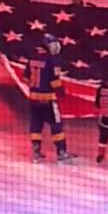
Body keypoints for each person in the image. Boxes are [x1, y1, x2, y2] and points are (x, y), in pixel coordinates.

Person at [25, 35, 74, 163]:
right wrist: (62, 92)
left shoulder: (31, 58)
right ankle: (61, 152)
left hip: (33, 99)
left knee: (36, 124)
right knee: (56, 125)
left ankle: (36, 153)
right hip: (49, 99)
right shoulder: (52, 60)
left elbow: (25, 78)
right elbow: (55, 82)